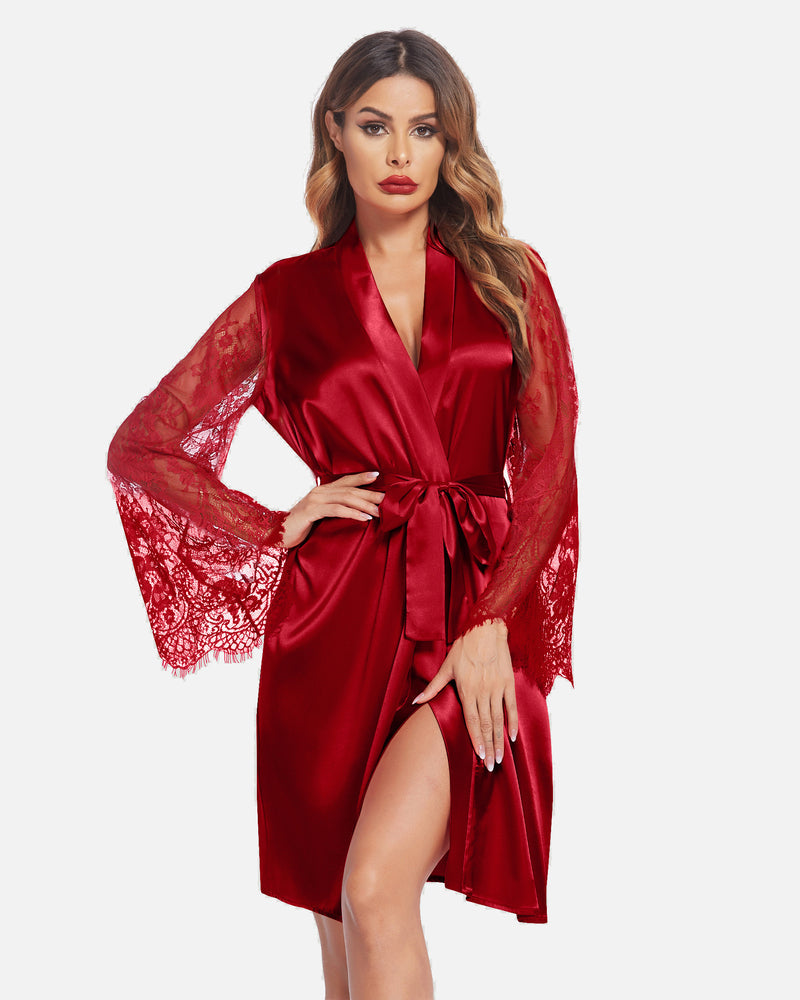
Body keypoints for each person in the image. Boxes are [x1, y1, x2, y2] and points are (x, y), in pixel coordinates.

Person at [107, 28, 580, 1000]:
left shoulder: (509, 277)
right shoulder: (286, 298)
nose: (401, 153)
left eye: (424, 130)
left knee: (372, 887)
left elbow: (548, 467)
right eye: (375, 126)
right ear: (335, 132)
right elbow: (143, 444)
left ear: (452, 144)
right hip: (334, 620)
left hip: (472, 609)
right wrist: (272, 523)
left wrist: (493, 620)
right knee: (344, 915)